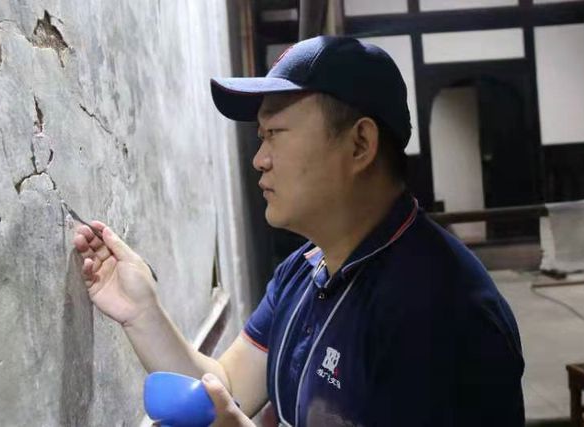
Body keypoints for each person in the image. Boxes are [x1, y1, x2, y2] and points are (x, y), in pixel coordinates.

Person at [73, 36, 525, 426]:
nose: (259, 159)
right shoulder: (306, 268)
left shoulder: (441, 314)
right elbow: (225, 386)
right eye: (260, 136)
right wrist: (142, 311)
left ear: (360, 144)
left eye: (275, 132)